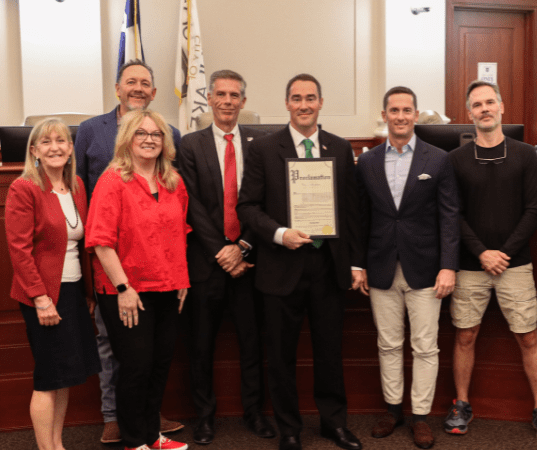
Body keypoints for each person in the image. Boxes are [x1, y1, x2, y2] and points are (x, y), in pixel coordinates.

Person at [237, 73, 364, 450]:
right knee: (280, 356)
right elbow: (247, 206)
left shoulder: (339, 148)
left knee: (329, 352)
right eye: (297, 98)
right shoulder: (263, 148)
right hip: (281, 266)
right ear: (287, 104)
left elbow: (352, 211)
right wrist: (280, 233)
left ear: (320, 102)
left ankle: (333, 423)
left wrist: (356, 263)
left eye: (310, 98)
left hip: (328, 267)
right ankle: (289, 429)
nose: (304, 105)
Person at [74, 59, 183, 443]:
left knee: (158, 364)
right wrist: (123, 288)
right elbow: (101, 240)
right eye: (141, 133)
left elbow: (179, 233)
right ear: (127, 139)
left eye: (156, 134)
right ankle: (135, 440)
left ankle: (153, 435)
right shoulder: (112, 180)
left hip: (166, 287)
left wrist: (182, 281)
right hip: (126, 288)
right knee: (134, 367)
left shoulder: (172, 181)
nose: (150, 139)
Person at [445, 80, 537, 443]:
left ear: (501, 106)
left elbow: (534, 209)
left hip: (515, 264)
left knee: (528, 335)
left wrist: (503, 253)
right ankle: (461, 404)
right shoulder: (455, 160)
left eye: (490, 102)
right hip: (470, 264)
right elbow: (453, 213)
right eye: (477, 104)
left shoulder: (525, 155)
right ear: (469, 113)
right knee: (465, 335)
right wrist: (482, 252)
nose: (485, 109)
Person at [355, 86, 459, 449]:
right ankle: (393, 410)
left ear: (415, 115)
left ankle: (420, 416)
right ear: (384, 115)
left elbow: (449, 217)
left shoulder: (438, 159)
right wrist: (358, 264)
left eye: (407, 110)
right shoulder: (367, 162)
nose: (400, 116)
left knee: (425, 346)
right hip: (380, 266)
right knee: (388, 344)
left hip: (426, 269)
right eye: (394, 110)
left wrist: (448, 266)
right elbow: (360, 217)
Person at [177, 69, 274, 444]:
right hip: (206, 263)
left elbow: (265, 201)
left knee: (252, 343)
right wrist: (221, 250)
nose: (228, 101)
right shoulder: (191, 145)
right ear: (210, 99)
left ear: (243, 102)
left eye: (235, 95)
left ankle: (254, 413)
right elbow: (191, 204)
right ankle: (204, 417)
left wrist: (243, 246)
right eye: (221, 94)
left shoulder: (260, 143)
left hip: (250, 261)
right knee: (201, 346)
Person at [6, 118, 101, 450]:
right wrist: (41, 299)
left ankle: (57, 444)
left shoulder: (77, 185)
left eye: (61, 141)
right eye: (46, 142)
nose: (55, 147)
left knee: (64, 377)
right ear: (34, 151)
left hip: (72, 292)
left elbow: (82, 244)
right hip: (44, 295)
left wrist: (87, 293)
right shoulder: (24, 188)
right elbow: (19, 250)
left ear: (71, 148)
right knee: (49, 377)